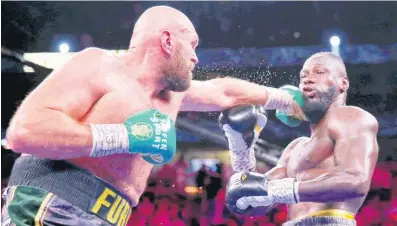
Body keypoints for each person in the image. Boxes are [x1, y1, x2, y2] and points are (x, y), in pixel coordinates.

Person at [2, 5, 305, 226]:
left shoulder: (172, 95)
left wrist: (285, 99)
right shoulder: (100, 66)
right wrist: (125, 137)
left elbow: (223, 92)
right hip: (49, 205)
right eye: (193, 44)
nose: (196, 57)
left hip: (107, 217)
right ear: (167, 41)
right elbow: (24, 132)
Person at [221, 52, 379, 226]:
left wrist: (281, 190)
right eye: (303, 75)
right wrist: (241, 147)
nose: (308, 79)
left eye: (319, 72)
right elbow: (248, 202)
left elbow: (356, 181)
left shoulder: (350, 117)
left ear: (343, 83)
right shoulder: (294, 148)